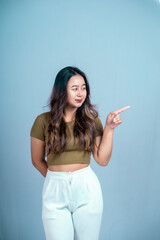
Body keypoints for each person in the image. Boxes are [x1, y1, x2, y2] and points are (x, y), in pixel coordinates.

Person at [30, 66, 130, 240]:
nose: (80, 93)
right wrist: (55, 179)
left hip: (86, 187)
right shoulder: (42, 121)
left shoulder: (91, 120)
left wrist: (110, 128)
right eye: (75, 88)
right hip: (54, 190)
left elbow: (102, 159)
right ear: (62, 91)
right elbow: (37, 159)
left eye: (83, 88)